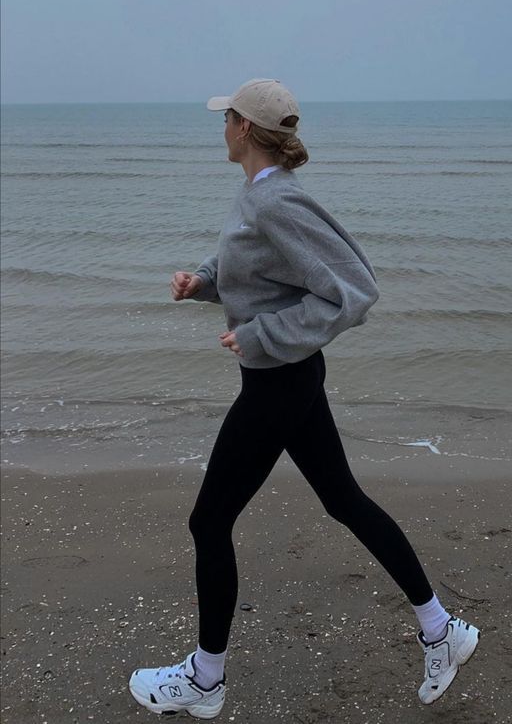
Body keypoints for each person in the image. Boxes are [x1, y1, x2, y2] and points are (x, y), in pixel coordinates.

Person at [128, 78, 480, 718]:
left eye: (226, 117)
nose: (221, 126)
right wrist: (202, 281)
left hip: (278, 385)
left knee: (209, 521)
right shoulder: (260, 194)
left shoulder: (277, 203)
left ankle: (205, 682)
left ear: (243, 129)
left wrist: (263, 334)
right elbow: (256, 269)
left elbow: (355, 289)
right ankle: (441, 629)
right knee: (344, 500)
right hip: (288, 379)